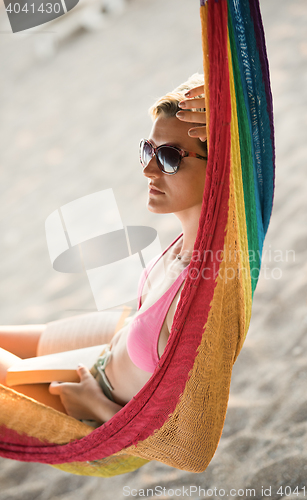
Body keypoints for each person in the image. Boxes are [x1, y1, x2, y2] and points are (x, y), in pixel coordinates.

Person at [0, 74, 208, 425]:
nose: (147, 169)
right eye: (147, 149)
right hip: (109, 344)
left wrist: (95, 405)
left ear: (220, 166)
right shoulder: (185, 243)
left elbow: (183, 435)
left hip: (95, 395)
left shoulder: (199, 290)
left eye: (170, 158)